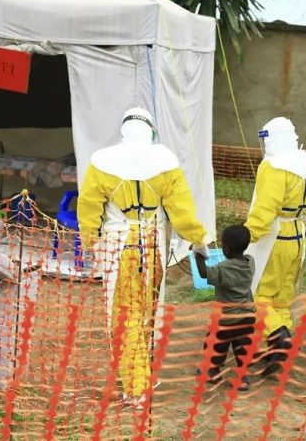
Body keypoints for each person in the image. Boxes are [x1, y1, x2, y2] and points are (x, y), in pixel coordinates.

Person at [78, 107, 209, 409]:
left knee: (125, 317)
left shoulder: (102, 162)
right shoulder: (165, 162)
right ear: (150, 130)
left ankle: (135, 387)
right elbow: (183, 213)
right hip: (153, 247)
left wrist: (89, 242)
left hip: (118, 246)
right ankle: (142, 376)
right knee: (147, 312)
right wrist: (199, 241)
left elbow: (89, 206)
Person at [244, 117, 306, 377]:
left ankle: (278, 336)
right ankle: (278, 350)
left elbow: (265, 209)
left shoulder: (273, 166)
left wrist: (247, 236)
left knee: (256, 294)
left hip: (274, 238)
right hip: (299, 236)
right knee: (282, 298)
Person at [194, 224, 255, 391]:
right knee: (242, 347)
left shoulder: (223, 268)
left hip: (227, 318)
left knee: (215, 343)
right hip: (247, 316)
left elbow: (204, 273)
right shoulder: (250, 262)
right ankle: (243, 378)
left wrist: (199, 255)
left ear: (226, 249)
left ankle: (212, 371)